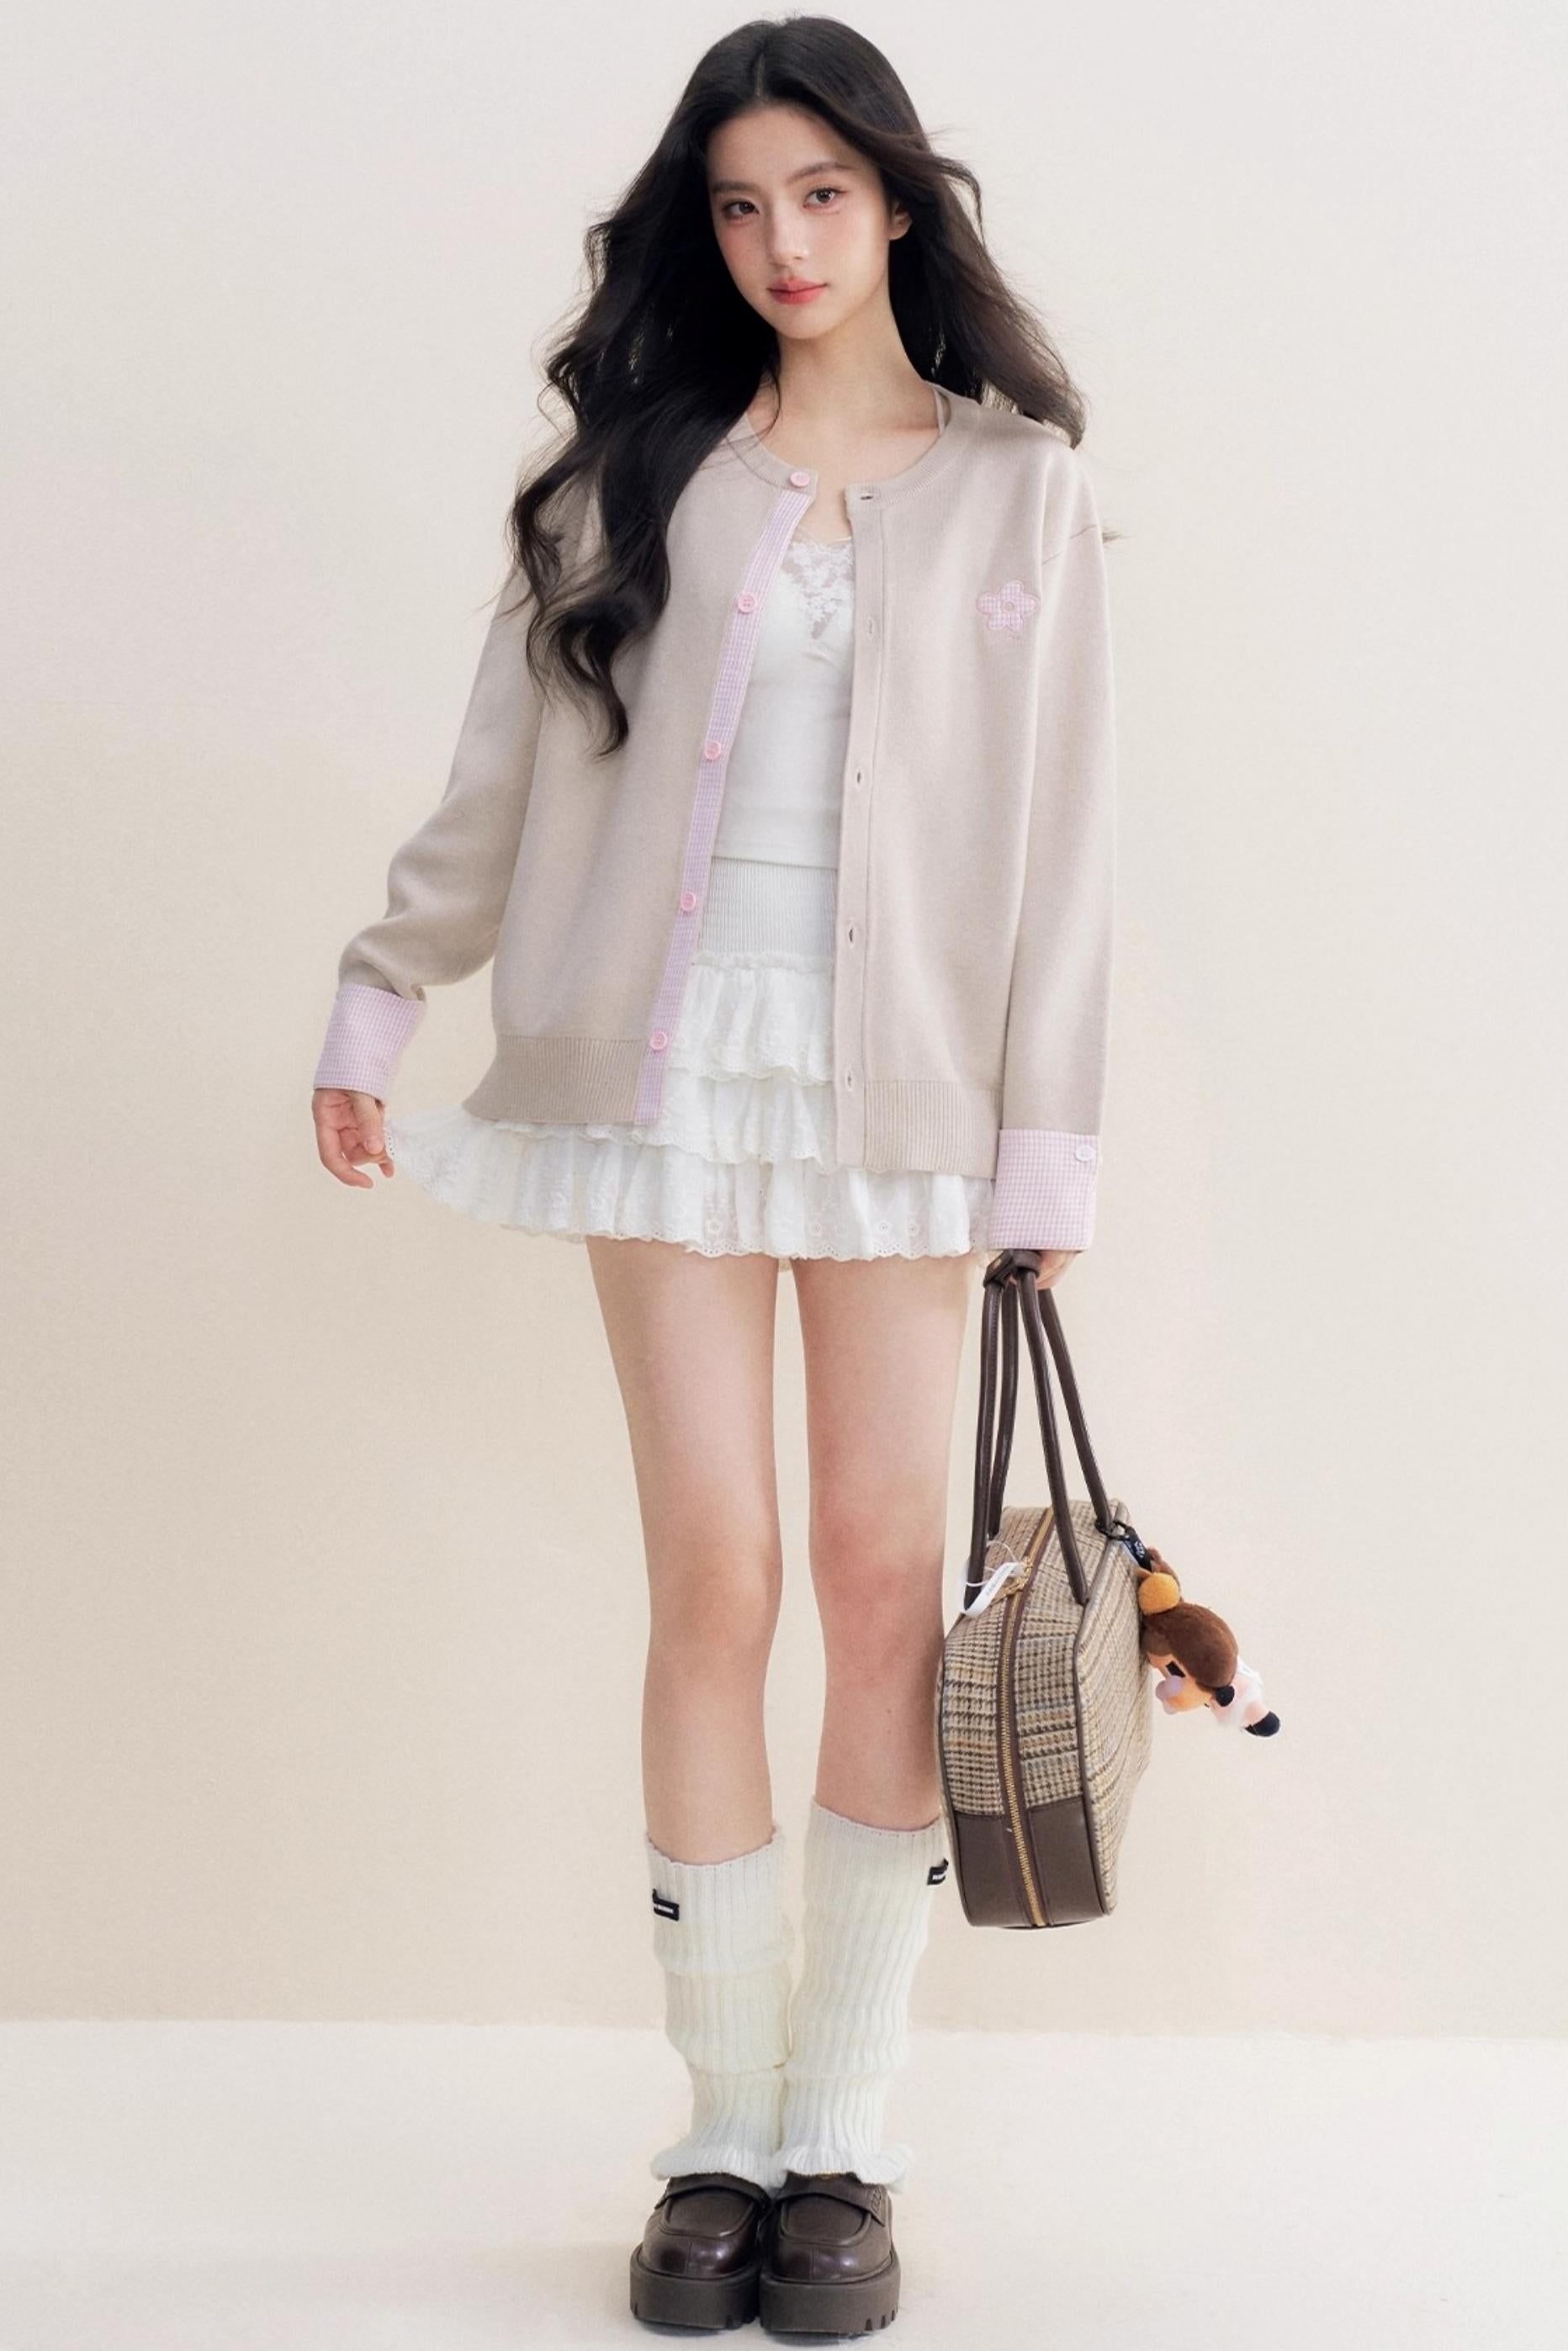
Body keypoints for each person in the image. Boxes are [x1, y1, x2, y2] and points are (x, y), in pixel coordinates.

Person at [310, 14, 1118, 2334]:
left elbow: (1062, 844)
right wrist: (383, 994)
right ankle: (718, 2134)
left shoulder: (1019, 491)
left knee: (880, 1579)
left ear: (899, 203)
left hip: (900, 1097)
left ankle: (841, 2129)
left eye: (823, 196)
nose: (784, 242)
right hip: (656, 1081)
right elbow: (498, 768)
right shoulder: (629, 476)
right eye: (744, 204)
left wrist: (1045, 1139)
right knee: (717, 1577)